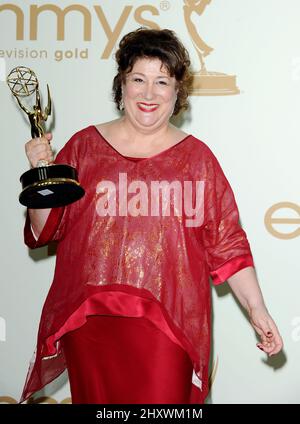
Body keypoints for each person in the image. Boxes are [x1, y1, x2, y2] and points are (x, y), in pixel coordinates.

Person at [21, 28, 283, 404]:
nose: (148, 93)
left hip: (169, 324)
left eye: (162, 81)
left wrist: (257, 309)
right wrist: (40, 175)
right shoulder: (83, 147)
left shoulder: (197, 160)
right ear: (121, 84)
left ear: (177, 92)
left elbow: (228, 245)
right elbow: (44, 229)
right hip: (91, 323)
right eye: (138, 79)